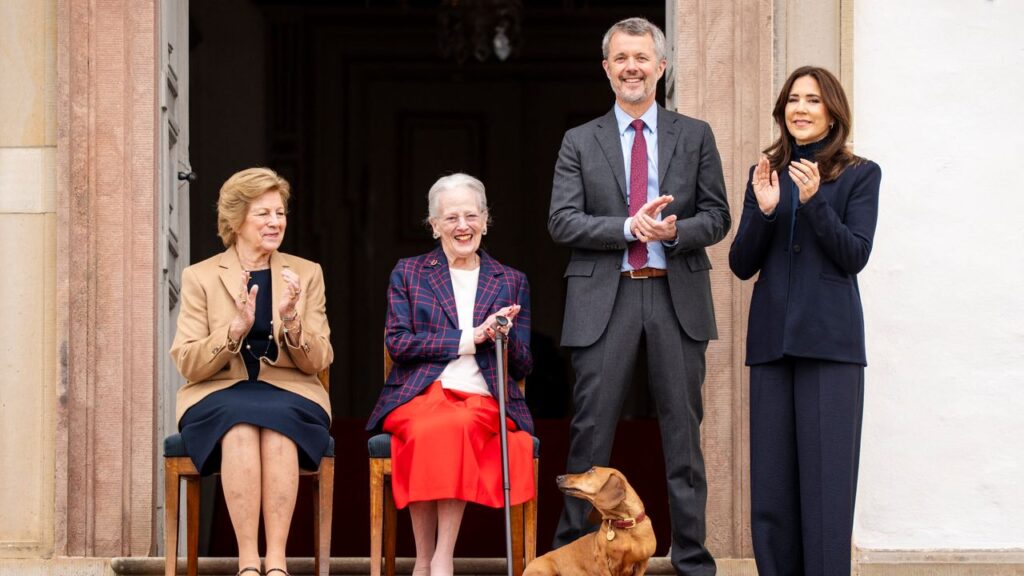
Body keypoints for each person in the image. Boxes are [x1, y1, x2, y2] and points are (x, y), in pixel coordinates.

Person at [548, 17, 730, 575]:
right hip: (607, 298)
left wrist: (675, 232)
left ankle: (693, 560)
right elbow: (562, 221)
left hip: (676, 296)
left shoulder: (694, 134)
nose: (632, 67)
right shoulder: (580, 140)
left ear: (661, 67)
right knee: (590, 436)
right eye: (621, 58)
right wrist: (628, 228)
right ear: (607, 69)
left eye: (642, 58)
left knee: (684, 436)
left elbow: (718, 216)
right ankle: (574, 559)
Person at [728, 66, 881, 576]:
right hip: (772, 346)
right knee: (771, 490)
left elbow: (854, 254)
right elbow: (742, 262)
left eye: (813, 100)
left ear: (832, 111)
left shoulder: (860, 174)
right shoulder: (766, 173)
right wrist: (766, 211)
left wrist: (815, 205)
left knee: (826, 489)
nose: (801, 108)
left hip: (831, 348)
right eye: (793, 99)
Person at [366, 173, 535, 576]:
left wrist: (502, 337)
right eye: (452, 218)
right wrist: (470, 337)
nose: (463, 226)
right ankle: (429, 560)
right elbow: (399, 344)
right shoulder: (409, 273)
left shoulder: (511, 280)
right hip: (417, 395)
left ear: (486, 220)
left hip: (482, 400)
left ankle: (440, 557)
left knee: (452, 424)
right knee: (434, 426)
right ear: (434, 225)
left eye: (471, 216)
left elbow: (526, 365)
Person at [170, 167, 333, 576]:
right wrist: (234, 329)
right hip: (217, 393)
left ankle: (275, 562)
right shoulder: (200, 276)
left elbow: (320, 360)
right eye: (263, 214)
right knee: (240, 428)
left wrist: (293, 321)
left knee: (278, 428)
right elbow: (187, 361)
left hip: (292, 391)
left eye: (280, 213)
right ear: (236, 220)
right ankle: (247, 562)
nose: (275, 222)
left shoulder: (306, 272)